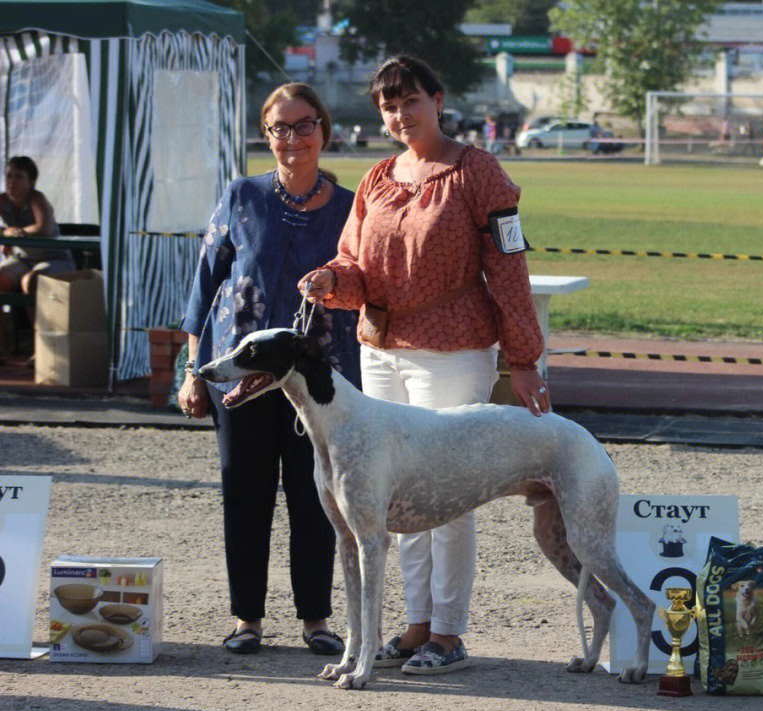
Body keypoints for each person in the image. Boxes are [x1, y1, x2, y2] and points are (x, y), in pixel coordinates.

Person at [300, 54, 548, 676]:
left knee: (451, 497)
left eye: (410, 100)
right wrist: (332, 279)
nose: (400, 114)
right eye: (388, 105)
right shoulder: (379, 178)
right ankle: (412, 626)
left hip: (457, 349)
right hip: (380, 352)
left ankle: (449, 632)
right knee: (391, 501)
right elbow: (355, 265)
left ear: (437, 99)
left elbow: (510, 268)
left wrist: (523, 359)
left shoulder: (479, 171)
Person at [176, 83, 361, 656]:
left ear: (324, 130)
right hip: (243, 375)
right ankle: (247, 620)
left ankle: (316, 619)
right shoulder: (241, 196)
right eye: (279, 128)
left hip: (323, 381)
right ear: (266, 135)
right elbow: (204, 287)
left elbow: (367, 285)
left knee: (316, 498)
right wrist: (190, 370)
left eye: (303, 125)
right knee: (245, 493)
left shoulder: (354, 206)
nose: (292, 138)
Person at [1, 156, 74, 360]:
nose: (11, 181)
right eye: (8, 176)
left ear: (31, 182)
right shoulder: (2, 200)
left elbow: (43, 227)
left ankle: (39, 348)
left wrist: (16, 232)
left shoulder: (37, 198)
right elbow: (6, 232)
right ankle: (2, 347)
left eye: (18, 177)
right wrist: (6, 234)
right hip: (23, 260)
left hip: (54, 258)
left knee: (31, 281)